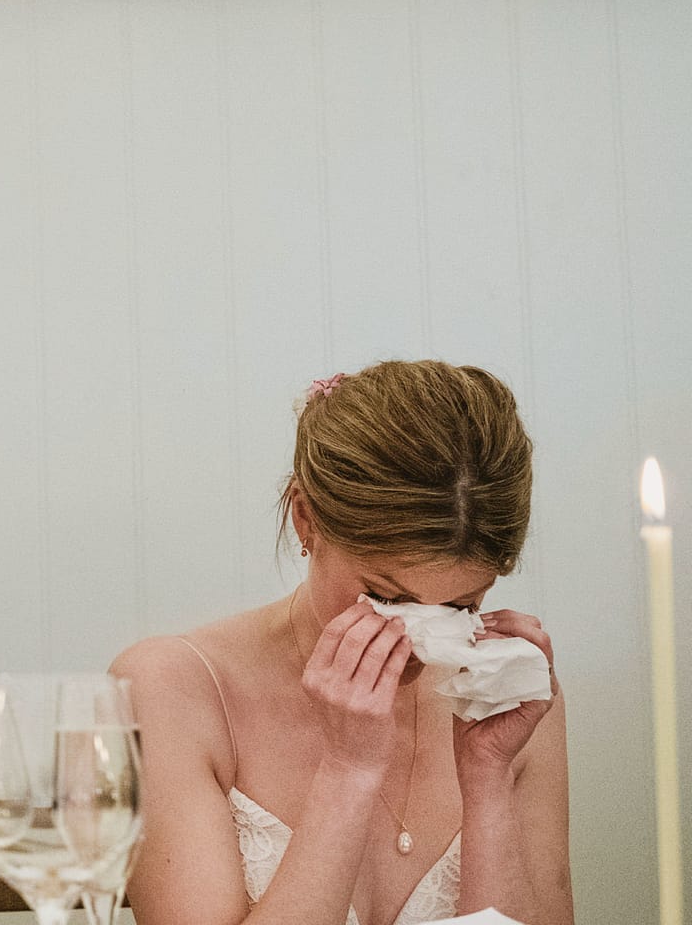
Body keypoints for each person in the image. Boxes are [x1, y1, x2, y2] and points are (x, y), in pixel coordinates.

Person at [113, 360, 572, 925]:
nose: (417, 641)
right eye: (384, 597)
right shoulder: (169, 689)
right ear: (307, 520)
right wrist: (348, 771)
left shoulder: (509, 696)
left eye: (461, 606)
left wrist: (488, 780)